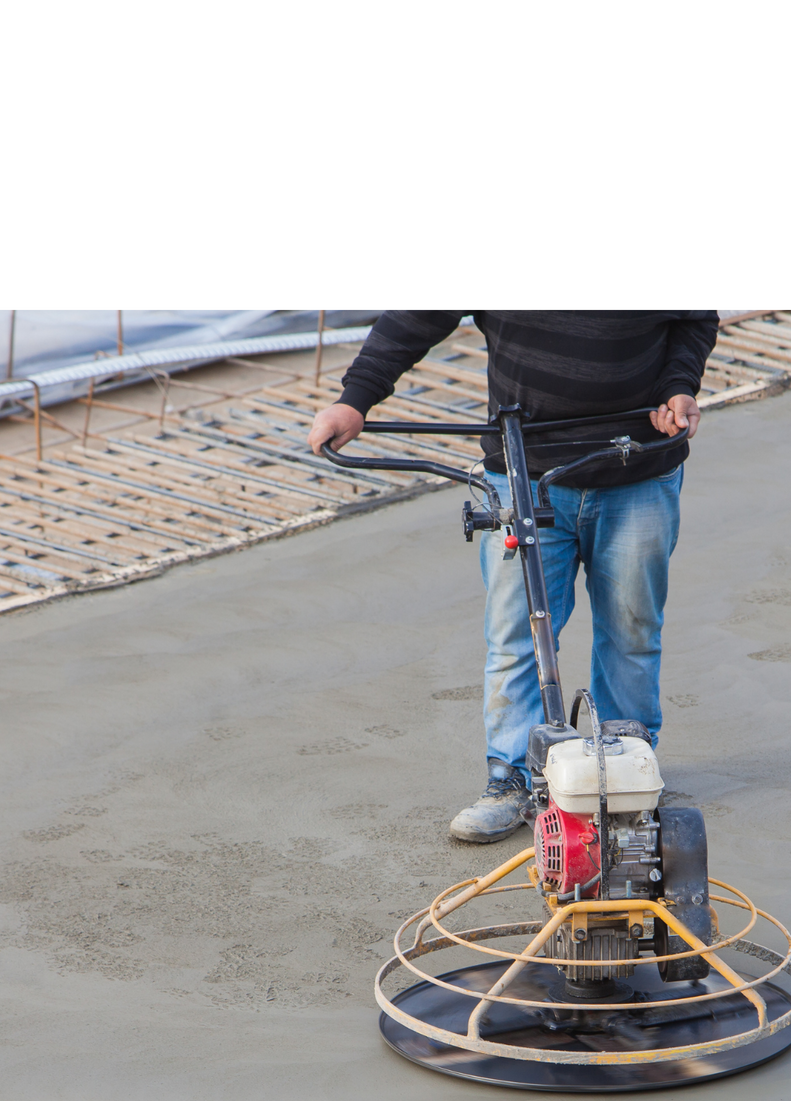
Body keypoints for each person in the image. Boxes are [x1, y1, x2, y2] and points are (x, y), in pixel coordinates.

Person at [308, 312, 720, 841]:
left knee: (632, 627)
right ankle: (512, 779)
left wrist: (678, 389)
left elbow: (692, 319)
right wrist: (355, 399)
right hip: (522, 467)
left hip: (636, 465)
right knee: (518, 635)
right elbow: (416, 316)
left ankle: (625, 769)